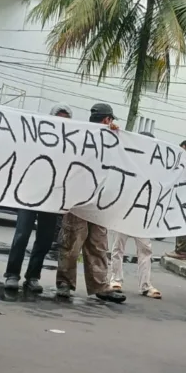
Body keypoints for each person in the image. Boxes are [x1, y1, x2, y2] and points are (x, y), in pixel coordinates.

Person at [56, 103, 124, 304]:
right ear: (107, 120)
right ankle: (65, 283)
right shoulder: (82, 134)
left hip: (97, 200)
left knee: (97, 243)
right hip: (79, 199)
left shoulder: (111, 138)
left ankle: (99, 285)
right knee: (71, 243)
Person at [5, 103, 73, 294]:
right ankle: (12, 275)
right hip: (29, 194)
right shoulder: (36, 137)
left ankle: (32, 277)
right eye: (57, 118)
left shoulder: (70, 146)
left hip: (52, 197)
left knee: (44, 239)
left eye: (65, 120)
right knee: (22, 235)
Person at [108, 131, 162, 299]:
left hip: (142, 214)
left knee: (145, 249)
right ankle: (115, 279)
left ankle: (145, 285)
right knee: (118, 247)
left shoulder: (155, 167)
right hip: (124, 211)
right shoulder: (127, 161)